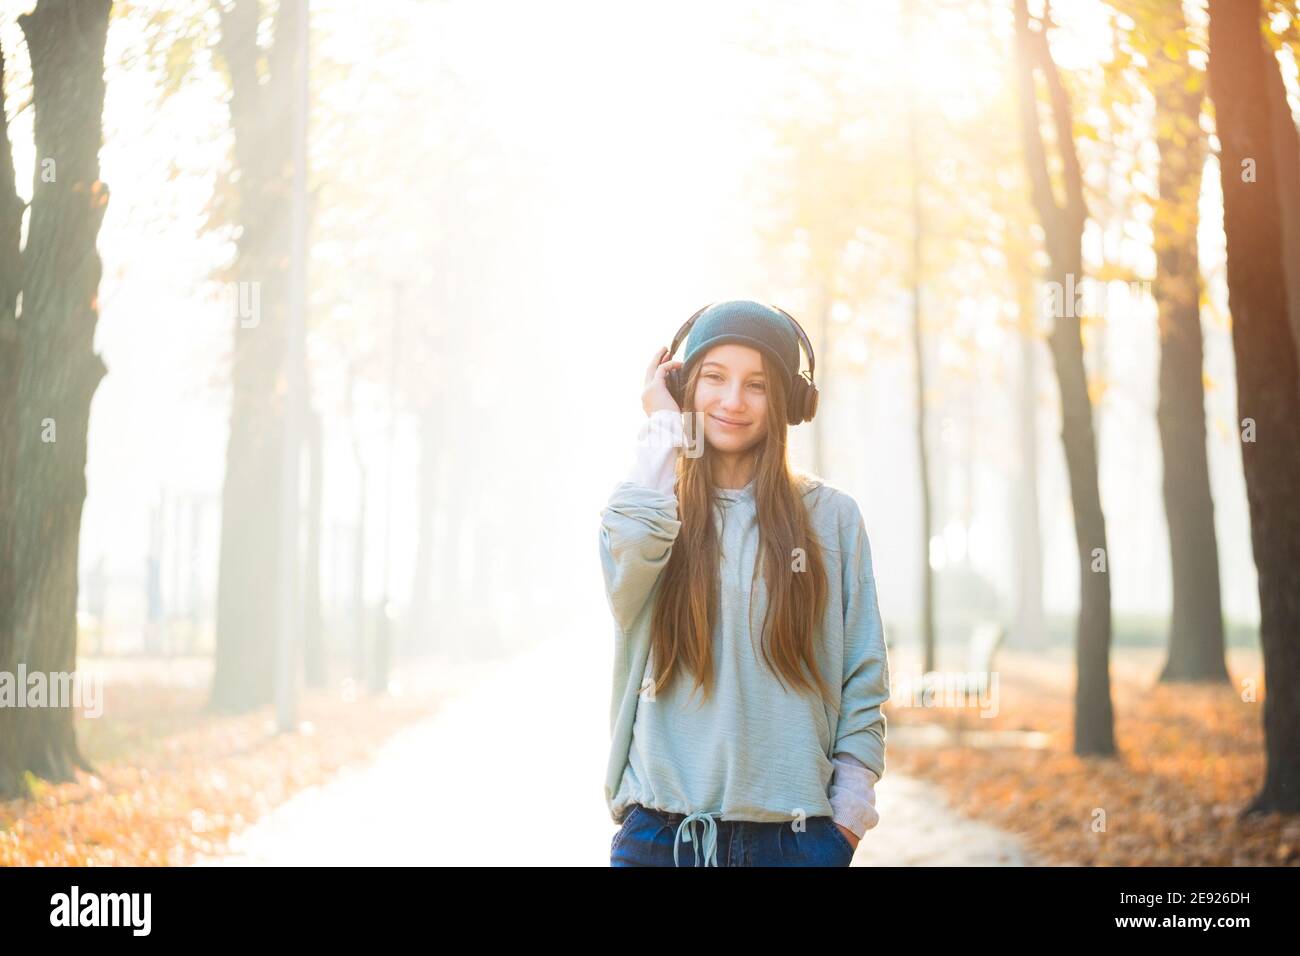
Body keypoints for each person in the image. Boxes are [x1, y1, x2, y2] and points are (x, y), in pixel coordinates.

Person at [599, 300, 890, 867]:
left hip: (797, 843)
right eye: (713, 377)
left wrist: (847, 821)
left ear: (789, 402)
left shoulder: (833, 519)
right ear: (683, 385)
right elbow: (627, 567)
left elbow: (864, 678)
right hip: (660, 840)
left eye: (757, 384)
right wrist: (664, 426)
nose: (733, 401)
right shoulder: (648, 507)